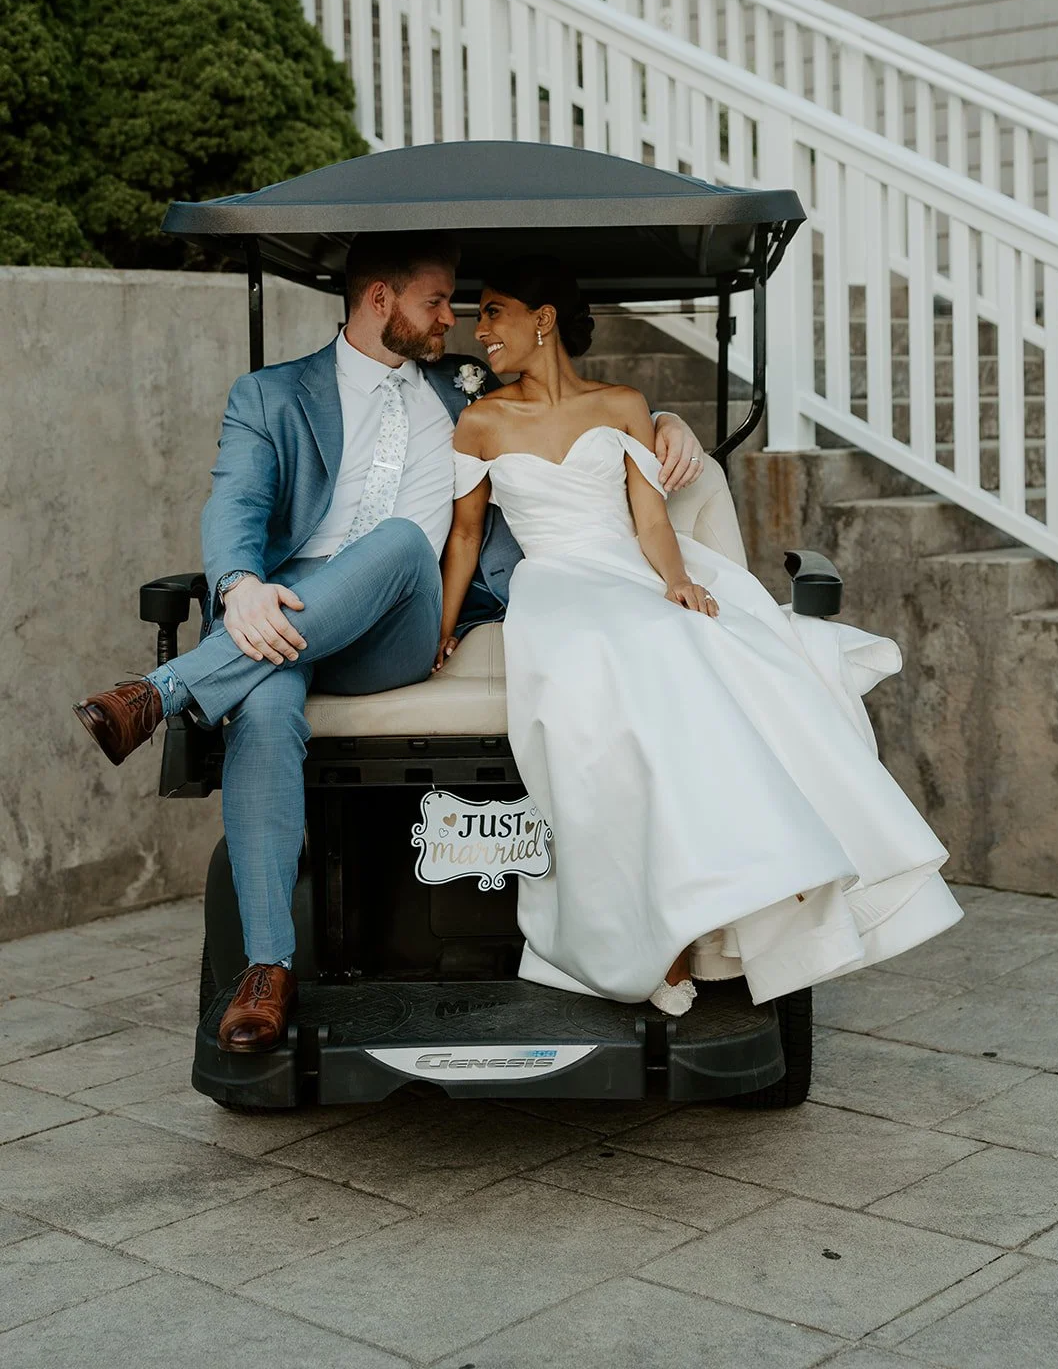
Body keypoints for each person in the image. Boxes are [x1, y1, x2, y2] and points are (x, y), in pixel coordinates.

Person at [73, 235, 706, 1051]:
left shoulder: (462, 386)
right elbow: (234, 504)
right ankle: (266, 975)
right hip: (288, 615)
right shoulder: (271, 396)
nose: (455, 319)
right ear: (380, 300)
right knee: (264, 709)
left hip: (400, 626)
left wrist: (664, 418)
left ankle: (160, 694)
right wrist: (238, 585)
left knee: (404, 540)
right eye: (436, 302)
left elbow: (563, 407)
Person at [437, 255, 962, 1016]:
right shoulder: (480, 420)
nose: (478, 329)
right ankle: (684, 913)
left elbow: (648, 515)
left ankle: (755, 873)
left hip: (628, 568)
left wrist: (677, 578)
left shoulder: (621, 404)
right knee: (643, 651)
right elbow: (464, 537)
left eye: (491, 311)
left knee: (703, 642)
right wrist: (443, 632)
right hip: (553, 585)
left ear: (542, 318)